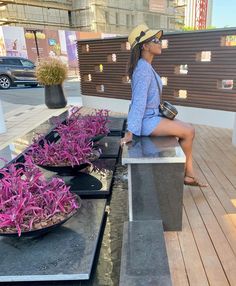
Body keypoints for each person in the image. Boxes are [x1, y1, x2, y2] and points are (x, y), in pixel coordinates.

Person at [121, 24, 207, 187]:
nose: (159, 42)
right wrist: (130, 132)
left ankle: (188, 174)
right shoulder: (143, 69)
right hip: (147, 120)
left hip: (153, 116)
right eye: (155, 40)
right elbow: (138, 102)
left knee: (189, 129)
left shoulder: (145, 66)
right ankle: (188, 175)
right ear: (145, 46)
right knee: (189, 131)